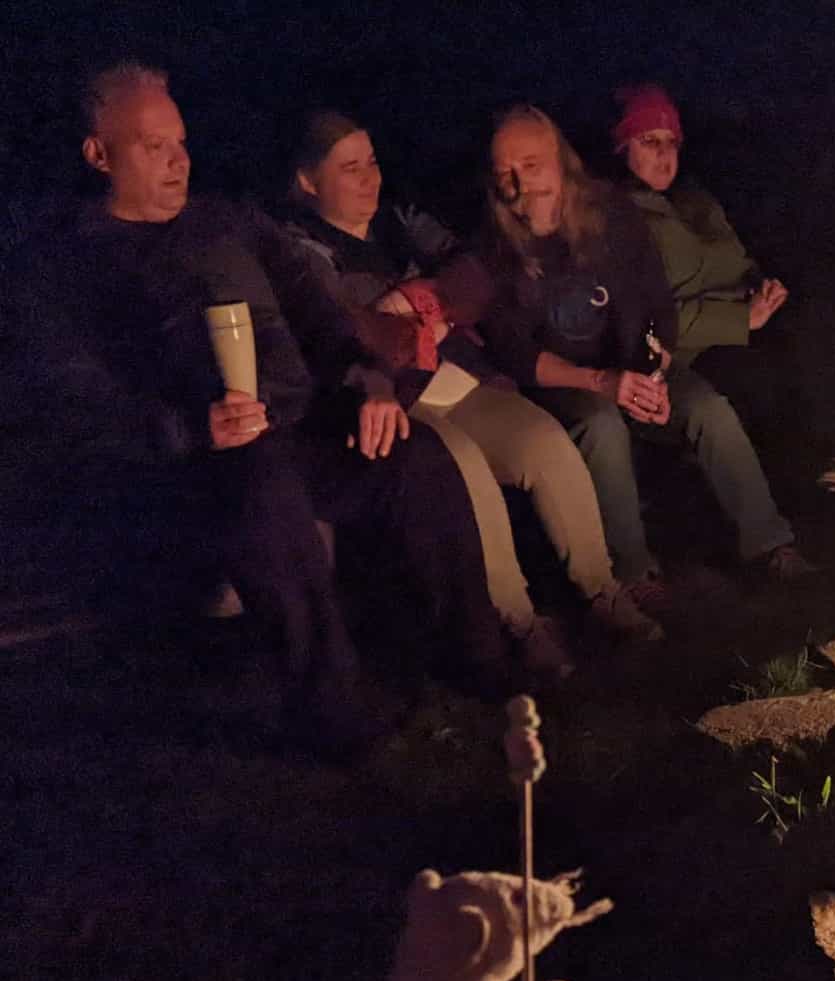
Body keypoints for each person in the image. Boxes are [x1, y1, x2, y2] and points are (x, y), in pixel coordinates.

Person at [37, 63, 516, 758]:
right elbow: (77, 397)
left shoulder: (228, 221)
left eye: (182, 142)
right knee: (262, 492)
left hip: (303, 426)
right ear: (99, 154)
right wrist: (190, 428)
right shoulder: (72, 264)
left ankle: (475, 654)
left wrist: (368, 384)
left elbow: (322, 323)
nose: (180, 161)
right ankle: (331, 709)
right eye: (155, 147)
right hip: (202, 458)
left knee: (414, 456)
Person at [281, 111, 662, 649]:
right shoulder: (299, 252)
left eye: (371, 162)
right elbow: (341, 331)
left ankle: (603, 591)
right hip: (392, 399)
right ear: (307, 181)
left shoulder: (402, 220)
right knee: (465, 475)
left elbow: (475, 274)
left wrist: (419, 298)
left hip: (459, 377)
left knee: (546, 444)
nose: (370, 177)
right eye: (350, 168)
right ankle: (519, 622)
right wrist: (400, 322)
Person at [440, 104, 813, 604]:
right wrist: (602, 383)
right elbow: (518, 354)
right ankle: (634, 574)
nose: (520, 183)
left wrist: (652, 372)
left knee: (706, 409)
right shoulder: (494, 247)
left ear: (560, 161)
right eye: (506, 170)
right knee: (601, 424)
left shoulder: (611, 214)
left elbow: (658, 304)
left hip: (634, 370)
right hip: (566, 383)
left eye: (531, 165)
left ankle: (771, 545)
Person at [612, 84, 835, 500]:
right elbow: (650, 318)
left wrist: (761, 285)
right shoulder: (618, 217)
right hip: (687, 349)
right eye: (650, 142)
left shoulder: (693, 200)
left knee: (821, 317)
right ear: (622, 147)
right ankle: (823, 475)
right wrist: (743, 318)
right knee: (765, 375)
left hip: (742, 315)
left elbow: (734, 262)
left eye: (672, 143)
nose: (665, 156)